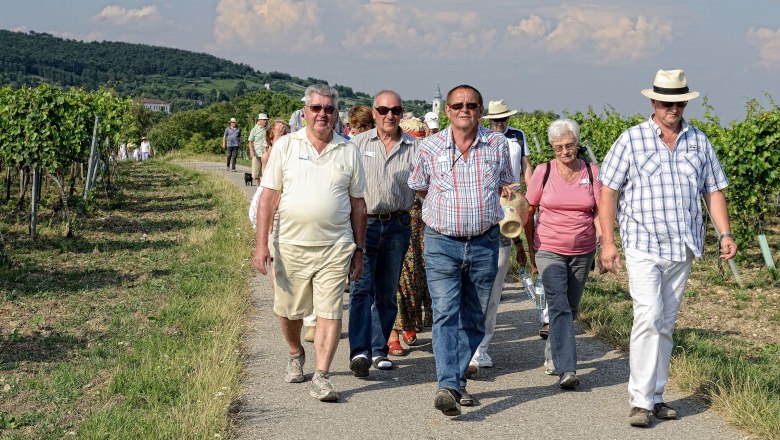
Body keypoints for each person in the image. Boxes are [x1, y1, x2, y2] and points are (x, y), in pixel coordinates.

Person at [598, 69, 738, 427]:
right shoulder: (631, 139)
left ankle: (657, 395)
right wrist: (609, 242)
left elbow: (714, 190)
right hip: (643, 244)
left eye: (678, 101)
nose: (671, 107)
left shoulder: (698, 141)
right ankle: (641, 400)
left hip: (683, 245)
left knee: (665, 322)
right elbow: (609, 191)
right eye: (665, 102)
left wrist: (725, 234)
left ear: (684, 102)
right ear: (653, 102)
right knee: (648, 315)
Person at [253, 84, 367, 402]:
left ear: (336, 113)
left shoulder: (348, 150)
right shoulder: (286, 146)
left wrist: (359, 249)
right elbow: (267, 199)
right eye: (316, 108)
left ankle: (322, 375)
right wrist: (262, 244)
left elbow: (358, 206)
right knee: (288, 311)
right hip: (290, 245)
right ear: (305, 111)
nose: (322, 114)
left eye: (329, 109)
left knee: (330, 311)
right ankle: (294, 353)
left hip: (336, 246)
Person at [408, 84, 514, 416]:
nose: (464, 109)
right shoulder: (429, 147)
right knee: (444, 314)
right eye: (457, 105)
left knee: (475, 318)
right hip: (442, 243)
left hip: (484, 243)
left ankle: (456, 383)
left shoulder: (498, 145)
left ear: (481, 111)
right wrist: (447, 211)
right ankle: (447, 385)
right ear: (447, 111)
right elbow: (421, 186)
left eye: (471, 104)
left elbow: (507, 185)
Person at [525, 118, 601, 389]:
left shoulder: (592, 172)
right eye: (558, 147)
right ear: (552, 148)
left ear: (577, 144)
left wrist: (604, 243)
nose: (565, 151)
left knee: (569, 308)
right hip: (549, 248)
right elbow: (529, 210)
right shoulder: (543, 172)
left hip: (583, 250)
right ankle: (567, 369)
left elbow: (599, 212)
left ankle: (552, 355)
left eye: (569, 145)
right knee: (558, 306)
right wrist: (529, 250)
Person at [347, 90, 419, 376]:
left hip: (398, 224)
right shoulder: (356, 144)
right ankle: (359, 352)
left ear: (402, 114)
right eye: (384, 110)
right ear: (374, 113)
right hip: (365, 224)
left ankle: (379, 350)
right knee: (361, 289)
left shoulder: (415, 148)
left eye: (396, 110)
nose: (390, 115)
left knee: (387, 292)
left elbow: (427, 187)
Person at [466, 101, 535, 377]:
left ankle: (481, 347)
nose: (499, 123)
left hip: (506, 211)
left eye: (503, 119)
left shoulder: (517, 137)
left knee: (494, 289)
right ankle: (466, 345)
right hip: (475, 220)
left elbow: (524, 169)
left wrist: (527, 198)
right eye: (495, 119)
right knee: (470, 289)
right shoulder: (477, 140)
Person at [391, 116, 432, 355]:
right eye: (412, 140)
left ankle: (409, 322)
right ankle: (392, 332)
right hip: (398, 222)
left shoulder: (429, 160)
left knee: (417, 278)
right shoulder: (395, 159)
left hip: (422, 227)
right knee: (396, 278)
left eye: (420, 140)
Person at [248, 113, 270, 186]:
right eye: (264, 120)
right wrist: (251, 151)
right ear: (259, 120)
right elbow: (250, 141)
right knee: (256, 172)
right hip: (257, 152)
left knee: (266, 171)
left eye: (266, 120)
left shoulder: (269, 128)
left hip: (266, 152)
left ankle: (264, 186)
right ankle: (258, 187)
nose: (265, 121)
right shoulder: (254, 129)